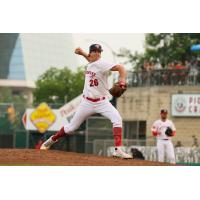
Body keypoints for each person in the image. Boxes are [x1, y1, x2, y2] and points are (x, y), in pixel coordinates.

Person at [40, 44, 132, 159]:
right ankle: (51, 140)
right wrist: (83, 53)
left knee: (117, 119)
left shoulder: (101, 64)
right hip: (86, 103)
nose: (98, 53)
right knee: (71, 128)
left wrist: (122, 81)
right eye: (95, 51)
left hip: (102, 102)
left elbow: (121, 68)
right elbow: (91, 60)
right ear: (91, 53)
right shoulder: (91, 64)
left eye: (99, 51)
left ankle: (118, 150)